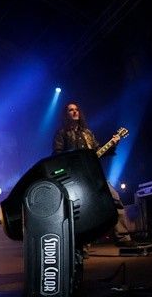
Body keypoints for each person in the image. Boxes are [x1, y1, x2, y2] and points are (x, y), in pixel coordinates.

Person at [53, 102, 133, 245]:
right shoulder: (62, 133)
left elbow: (98, 151)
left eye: (76, 109)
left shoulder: (88, 133)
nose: (74, 112)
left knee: (114, 198)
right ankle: (81, 245)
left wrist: (113, 143)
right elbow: (57, 155)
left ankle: (123, 237)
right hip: (76, 178)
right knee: (82, 210)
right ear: (66, 114)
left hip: (93, 175)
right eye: (71, 110)